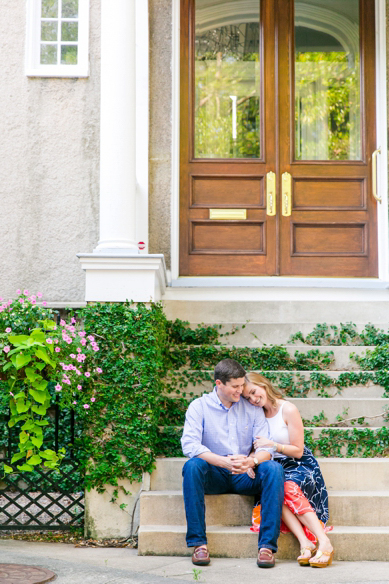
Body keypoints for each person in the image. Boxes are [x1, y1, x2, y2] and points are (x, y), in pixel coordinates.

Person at [181, 358, 284, 569]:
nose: (240, 391)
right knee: (192, 466)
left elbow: (266, 448)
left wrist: (250, 462)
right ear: (219, 384)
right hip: (214, 474)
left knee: (274, 468)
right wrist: (220, 461)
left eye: (241, 386)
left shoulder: (251, 408)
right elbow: (189, 444)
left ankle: (267, 547)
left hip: (245, 475)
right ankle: (198, 543)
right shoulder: (199, 407)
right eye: (235, 387)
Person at [243, 372, 334, 568]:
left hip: (298, 464)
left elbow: (298, 450)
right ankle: (305, 542)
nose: (253, 399)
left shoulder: (288, 409)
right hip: (272, 466)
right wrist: (252, 460)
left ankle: (323, 541)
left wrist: (274, 445)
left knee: (286, 487)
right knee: (273, 488)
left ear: (263, 385)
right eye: (247, 397)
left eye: (253, 392)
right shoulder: (254, 414)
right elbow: (254, 447)